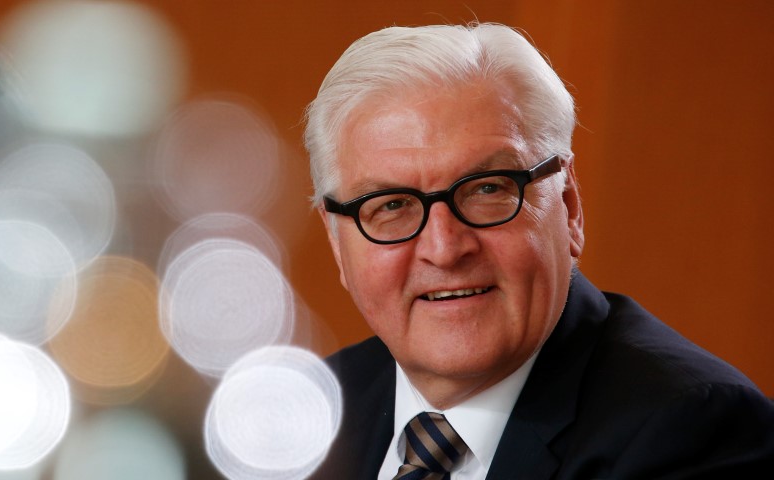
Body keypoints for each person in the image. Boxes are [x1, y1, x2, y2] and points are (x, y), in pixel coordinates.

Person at [302, 23, 774, 479]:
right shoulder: (309, 411)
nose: (444, 250)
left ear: (568, 206)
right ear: (336, 243)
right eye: (393, 205)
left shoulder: (691, 431)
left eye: (488, 189)